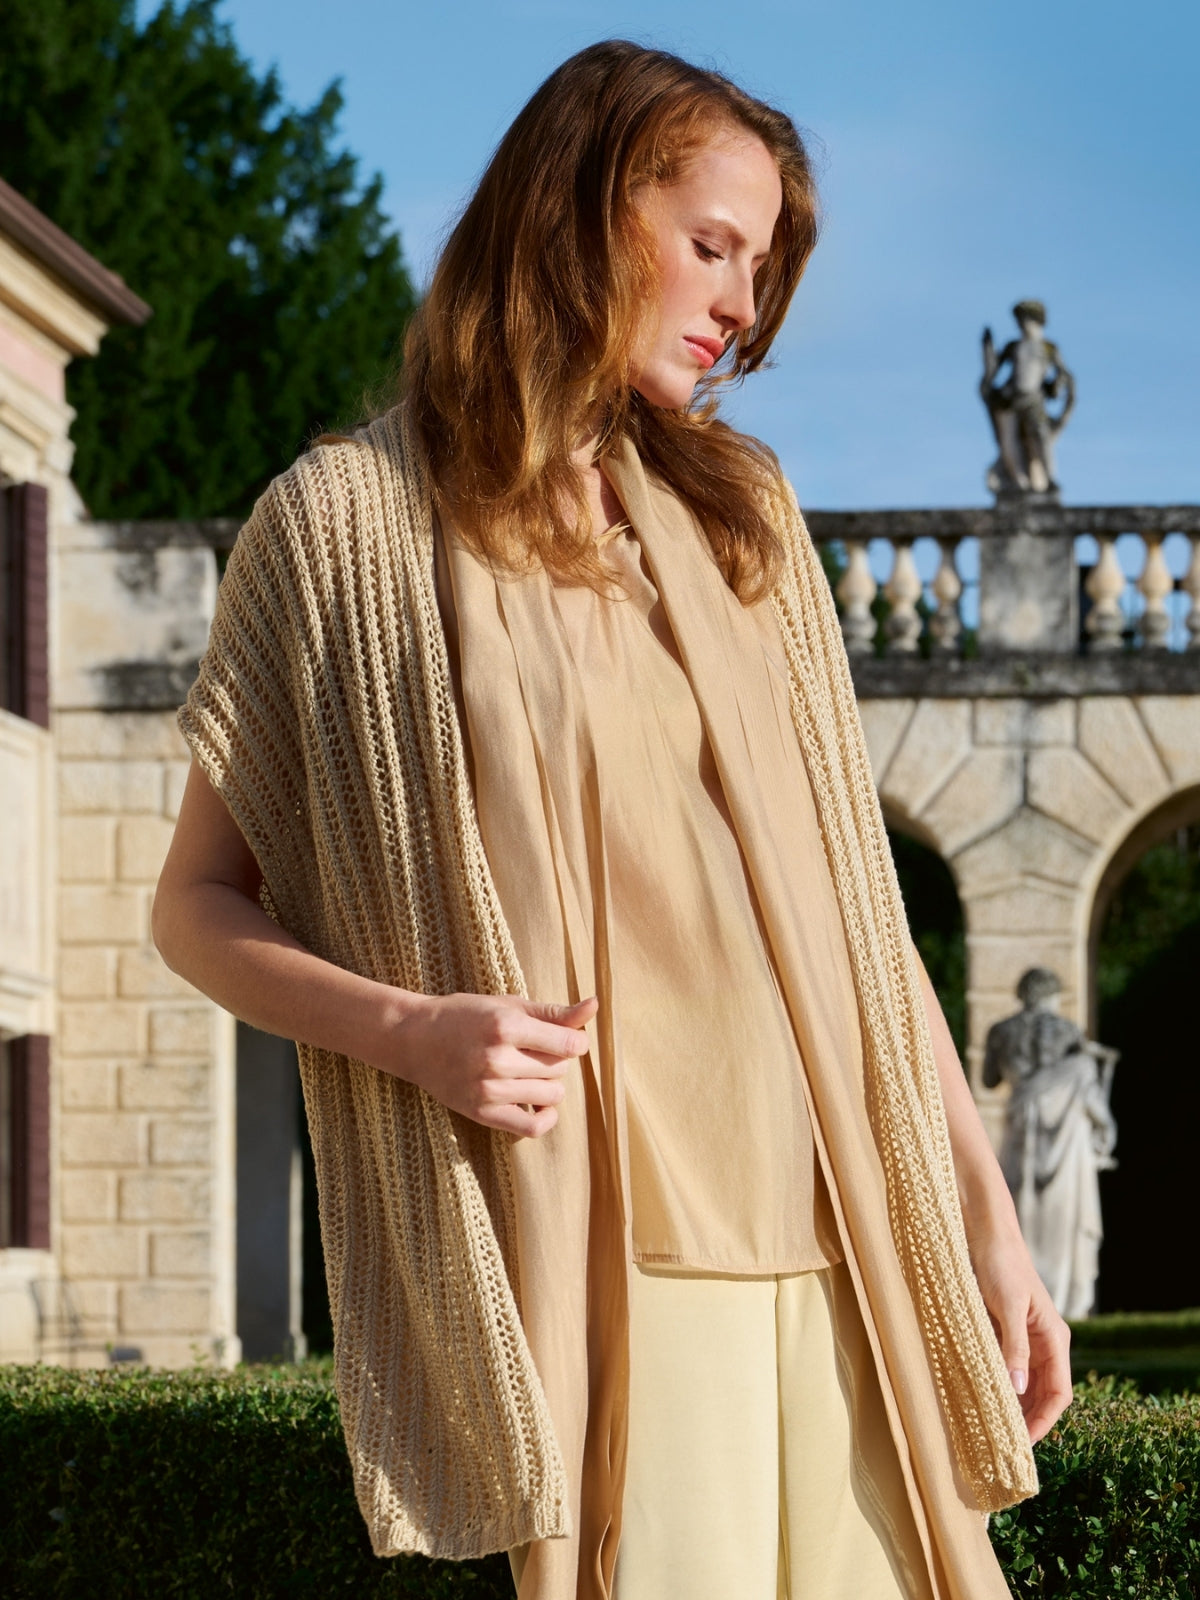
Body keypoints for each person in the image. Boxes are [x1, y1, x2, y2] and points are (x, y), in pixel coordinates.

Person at [153, 41, 1072, 1600]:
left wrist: (986, 1215)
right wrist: (410, 1032)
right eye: (712, 245)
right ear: (580, 211)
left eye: (761, 267)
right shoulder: (346, 527)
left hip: (843, 1221)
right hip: (606, 1248)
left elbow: (859, 909)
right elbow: (195, 905)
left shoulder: (741, 515)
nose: (743, 305)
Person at [984, 967, 1118, 1319]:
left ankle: (1022, 1302)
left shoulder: (1001, 1032)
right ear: (1051, 996)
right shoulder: (1069, 1033)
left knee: (1016, 1216)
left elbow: (989, 1079)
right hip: (1066, 1146)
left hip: (1020, 1137)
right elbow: (1089, 1095)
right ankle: (1063, 1305)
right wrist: (1106, 1132)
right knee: (1063, 1220)